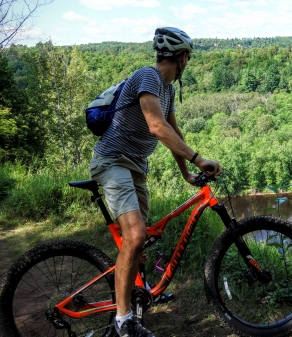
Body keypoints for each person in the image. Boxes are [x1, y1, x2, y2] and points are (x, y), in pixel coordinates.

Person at [90, 27, 221, 337]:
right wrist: (199, 159)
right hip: (112, 162)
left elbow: (173, 133)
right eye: (187, 56)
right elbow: (157, 126)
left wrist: (186, 172)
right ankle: (124, 321)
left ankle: (139, 289)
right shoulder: (148, 77)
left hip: (135, 167)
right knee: (134, 237)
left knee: (141, 237)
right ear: (181, 56)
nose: (187, 62)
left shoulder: (168, 90)